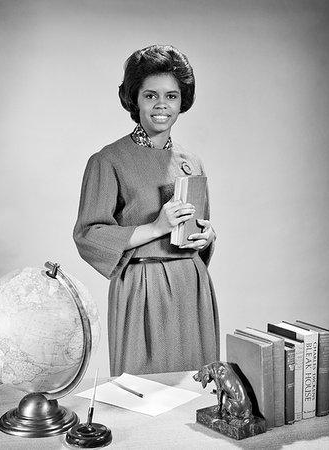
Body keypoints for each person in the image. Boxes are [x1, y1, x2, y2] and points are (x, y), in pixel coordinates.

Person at [73, 44, 219, 376]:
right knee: (140, 393)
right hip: (141, 285)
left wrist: (206, 236)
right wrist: (156, 227)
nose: (161, 105)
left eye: (171, 96)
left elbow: (197, 228)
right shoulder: (107, 161)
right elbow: (87, 235)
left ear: (183, 102)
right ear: (134, 99)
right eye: (150, 95)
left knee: (196, 388)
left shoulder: (191, 161)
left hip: (192, 284)